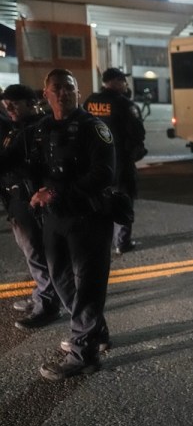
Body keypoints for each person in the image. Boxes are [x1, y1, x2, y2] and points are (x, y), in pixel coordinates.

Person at [29, 68, 116, 380]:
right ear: (46, 94)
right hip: (55, 218)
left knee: (89, 284)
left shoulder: (93, 128)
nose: (63, 93)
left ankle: (84, 352)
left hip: (88, 217)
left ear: (78, 92)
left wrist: (53, 191)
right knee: (60, 278)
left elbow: (104, 174)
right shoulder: (40, 129)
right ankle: (95, 331)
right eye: (57, 87)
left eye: (69, 87)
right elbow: (34, 169)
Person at [0, 84, 60, 328]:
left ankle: (47, 304)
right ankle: (41, 295)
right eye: (6, 105)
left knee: (37, 254)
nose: (9, 108)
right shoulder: (16, 129)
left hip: (31, 200)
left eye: (14, 104)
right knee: (33, 254)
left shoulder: (40, 128)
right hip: (17, 201)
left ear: (30, 102)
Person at [84, 67, 147, 254]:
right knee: (123, 198)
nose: (125, 85)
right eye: (123, 81)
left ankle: (99, 240)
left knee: (97, 199)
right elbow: (138, 133)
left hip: (93, 161)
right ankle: (122, 242)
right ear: (117, 82)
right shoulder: (124, 104)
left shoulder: (90, 101)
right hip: (119, 161)